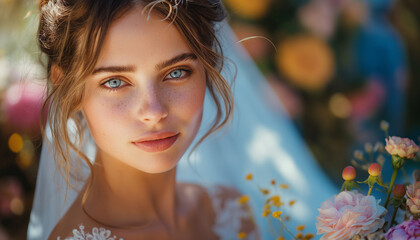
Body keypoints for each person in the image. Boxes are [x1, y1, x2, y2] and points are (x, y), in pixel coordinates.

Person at [28, 0, 337, 239]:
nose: (154, 111)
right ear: (67, 87)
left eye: (176, 73)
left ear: (207, 68)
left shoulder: (227, 211)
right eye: (115, 81)